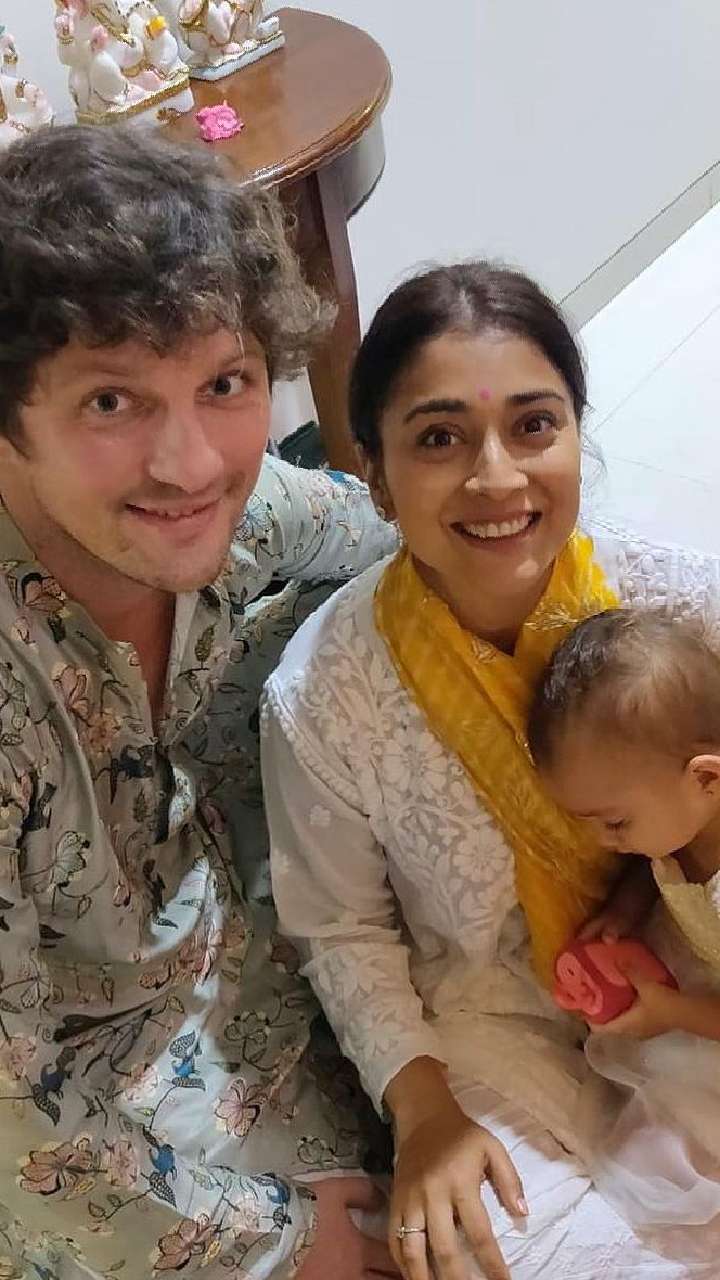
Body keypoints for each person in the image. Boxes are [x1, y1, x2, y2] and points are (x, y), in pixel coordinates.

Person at [261, 260, 720, 1279]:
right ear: (375, 473)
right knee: (492, 1251)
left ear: (577, 435)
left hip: (689, 966)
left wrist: (652, 914)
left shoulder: (675, 602)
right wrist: (424, 1114)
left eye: (533, 425)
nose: (498, 477)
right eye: (440, 438)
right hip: (489, 1022)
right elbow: (340, 928)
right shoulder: (326, 692)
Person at [0, 124, 402, 1280]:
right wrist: (283, 1239)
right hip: (92, 1139)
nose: (191, 465)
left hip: (254, 973)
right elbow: (19, 1137)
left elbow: (399, 531)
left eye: (224, 384)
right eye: (112, 402)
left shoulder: (238, 507)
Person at [527, 607, 720, 1235]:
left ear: (707, 779)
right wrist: (624, 908)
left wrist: (673, 1013)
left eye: (615, 823)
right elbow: (655, 865)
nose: (603, 842)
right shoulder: (683, 821)